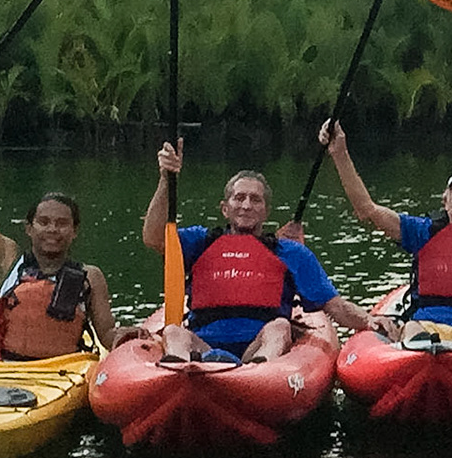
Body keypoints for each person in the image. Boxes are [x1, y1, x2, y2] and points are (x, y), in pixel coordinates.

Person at [140, 142, 395, 363]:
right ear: (224, 208)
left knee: (280, 326)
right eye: (239, 198)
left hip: (259, 346)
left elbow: (334, 305)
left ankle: (259, 372)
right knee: (173, 332)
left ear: (266, 211)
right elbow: (152, 238)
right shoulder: (200, 242)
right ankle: (180, 371)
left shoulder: (290, 252)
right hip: (203, 347)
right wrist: (166, 178)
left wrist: (369, 320)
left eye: (255, 200)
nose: (246, 205)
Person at [316, 119, 452, 347]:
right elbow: (367, 209)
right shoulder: (423, 231)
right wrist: (340, 153)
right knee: (411, 327)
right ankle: (422, 352)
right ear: (445, 201)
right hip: (426, 324)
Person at [0, 126, 122, 357]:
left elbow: (107, 334)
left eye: (61, 223)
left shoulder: (90, 277)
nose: (52, 229)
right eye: (44, 222)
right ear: (29, 228)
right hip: (1, 368)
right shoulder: (8, 260)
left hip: (60, 374)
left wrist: (126, 338)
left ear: (74, 231)